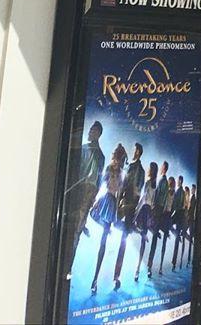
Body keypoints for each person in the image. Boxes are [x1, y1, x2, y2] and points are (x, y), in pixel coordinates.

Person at [62, 120, 104, 282]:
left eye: (93, 130)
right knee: (73, 230)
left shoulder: (98, 155)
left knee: (75, 232)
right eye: (90, 130)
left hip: (85, 192)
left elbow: (97, 180)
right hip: (76, 190)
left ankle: (68, 268)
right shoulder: (84, 149)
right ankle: (66, 266)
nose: (89, 132)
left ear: (98, 133)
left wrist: (92, 198)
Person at [89, 144, 127, 294]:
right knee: (95, 217)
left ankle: (95, 280)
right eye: (121, 158)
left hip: (112, 204)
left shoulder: (121, 174)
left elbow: (118, 195)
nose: (121, 161)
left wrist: (117, 211)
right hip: (105, 200)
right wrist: (96, 199)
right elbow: (102, 186)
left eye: (122, 158)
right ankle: (95, 279)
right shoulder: (109, 169)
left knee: (103, 241)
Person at [112, 142, 145, 290]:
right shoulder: (130, 165)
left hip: (130, 206)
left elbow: (138, 191)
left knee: (123, 240)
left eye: (135, 150)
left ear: (138, 152)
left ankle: (116, 276)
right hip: (123, 202)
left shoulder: (140, 170)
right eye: (133, 150)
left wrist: (130, 207)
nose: (133, 152)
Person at [132, 161, 158, 283]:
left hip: (143, 210)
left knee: (136, 229)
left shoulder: (148, 183)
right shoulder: (155, 185)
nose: (148, 170)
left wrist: (136, 211)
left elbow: (143, 198)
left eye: (149, 168)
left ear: (151, 170)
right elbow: (152, 202)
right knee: (142, 241)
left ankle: (137, 269)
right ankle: (139, 269)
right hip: (148, 211)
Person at [146, 161, 170, 278]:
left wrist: (154, 206)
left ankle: (149, 265)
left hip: (157, 209)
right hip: (158, 209)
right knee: (153, 233)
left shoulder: (163, 181)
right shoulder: (162, 180)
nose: (161, 168)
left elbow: (159, 195)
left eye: (162, 167)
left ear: (164, 169)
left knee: (153, 233)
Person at [170, 177, 187, 270]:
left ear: (180, 181)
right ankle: (174, 262)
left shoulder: (180, 192)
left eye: (177, 181)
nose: (176, 182)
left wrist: (172, 212)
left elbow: (177, 204)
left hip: (178, 214)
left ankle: (174, 261)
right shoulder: (181, 192)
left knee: (169, 225)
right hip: (179, 214)